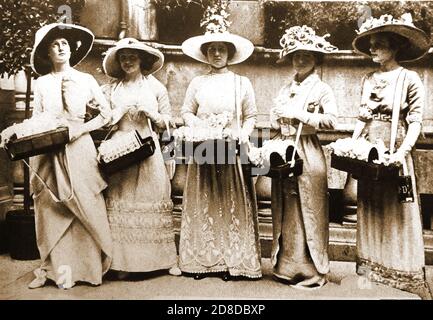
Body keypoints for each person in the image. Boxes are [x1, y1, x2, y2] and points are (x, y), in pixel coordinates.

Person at [352, 13, 431, 299]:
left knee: (399, 212)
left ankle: (405, 278)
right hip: (369, 152)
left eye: (380, 44)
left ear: (396, 47)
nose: (373, 49)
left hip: (396, 150)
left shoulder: (409, 79)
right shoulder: (368, 78)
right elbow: (363, 116)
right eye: (371, 44)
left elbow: (416, 121)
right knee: (370, 208)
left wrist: (401, 152)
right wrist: (351, 145)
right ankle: (367, 280)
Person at [27, 23, 113, 289]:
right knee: (52, 206)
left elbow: (106, 114)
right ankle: (54, 271)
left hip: (79, 147)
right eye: (55, 45)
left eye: (65, 43)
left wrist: (80, 129)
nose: (61, 47)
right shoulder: (41, 83)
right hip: (48, 150)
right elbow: (36, 118)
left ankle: (88, 271)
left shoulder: (86, 80)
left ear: (72, 49)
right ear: (47, 53)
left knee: (85, 201)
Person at [178, 23, 262, 280]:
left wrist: (242, 134)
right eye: (212, 49)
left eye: (221, 49)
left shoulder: (241, 82)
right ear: (206, 53)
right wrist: (200, 125)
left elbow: (251, 116)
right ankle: (203, 260)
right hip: (203, 146)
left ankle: (233, 261)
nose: (216, 54)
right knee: (205, 200)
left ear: (229, 53)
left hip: (230, 149)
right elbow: (185, 112)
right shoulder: (197, 83)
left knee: (230, 200)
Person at [101, 38, 178, 278]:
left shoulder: (155, 88)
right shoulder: (112, 89)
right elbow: (102, 122)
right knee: (121, 198)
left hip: (148, 149)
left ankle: (161, 260)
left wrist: (152, 115)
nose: (127, 62)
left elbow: (170, 123)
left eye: (132, 57)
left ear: (141, 59)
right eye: (123, 57)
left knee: (151, 196)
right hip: (120, 149)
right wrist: (119, 112)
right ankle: (122, 263)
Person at [269, 25, 338, 289]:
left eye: (307, 55)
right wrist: (278, 115)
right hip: (285, 147)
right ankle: (287, 267)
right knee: (286, 206)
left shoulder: (322, 89)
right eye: (296, 55)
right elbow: (275, 119)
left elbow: (331, 119)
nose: (301, 59)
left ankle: (311, 272)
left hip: (308, 152)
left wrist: (301, 115)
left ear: (316, 59)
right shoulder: (286, 87)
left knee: (308, 208)